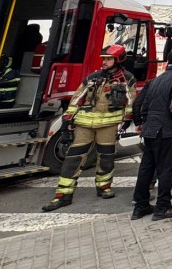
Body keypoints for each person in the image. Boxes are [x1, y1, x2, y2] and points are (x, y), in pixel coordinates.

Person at [42, 44, 137, 211]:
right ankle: (63, 194)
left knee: (106, 158)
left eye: (109, 59)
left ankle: (104, 187)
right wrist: (67, 119)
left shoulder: (127, 79)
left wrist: (127, 119)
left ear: (118, 60)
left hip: (108, 126)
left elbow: (130, 101)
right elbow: (78, 98)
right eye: (104, 59)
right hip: (84, 124)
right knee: (74, 158)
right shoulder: (94, 77)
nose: (105, 62)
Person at [130, 48, 172, 221]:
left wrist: (140, 123)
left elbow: (138, 103)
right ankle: (163, 207)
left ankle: (140, 206)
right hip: (167, 132)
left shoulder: (155, 80)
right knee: (167, 169)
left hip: (150, 130)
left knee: (147, 168)